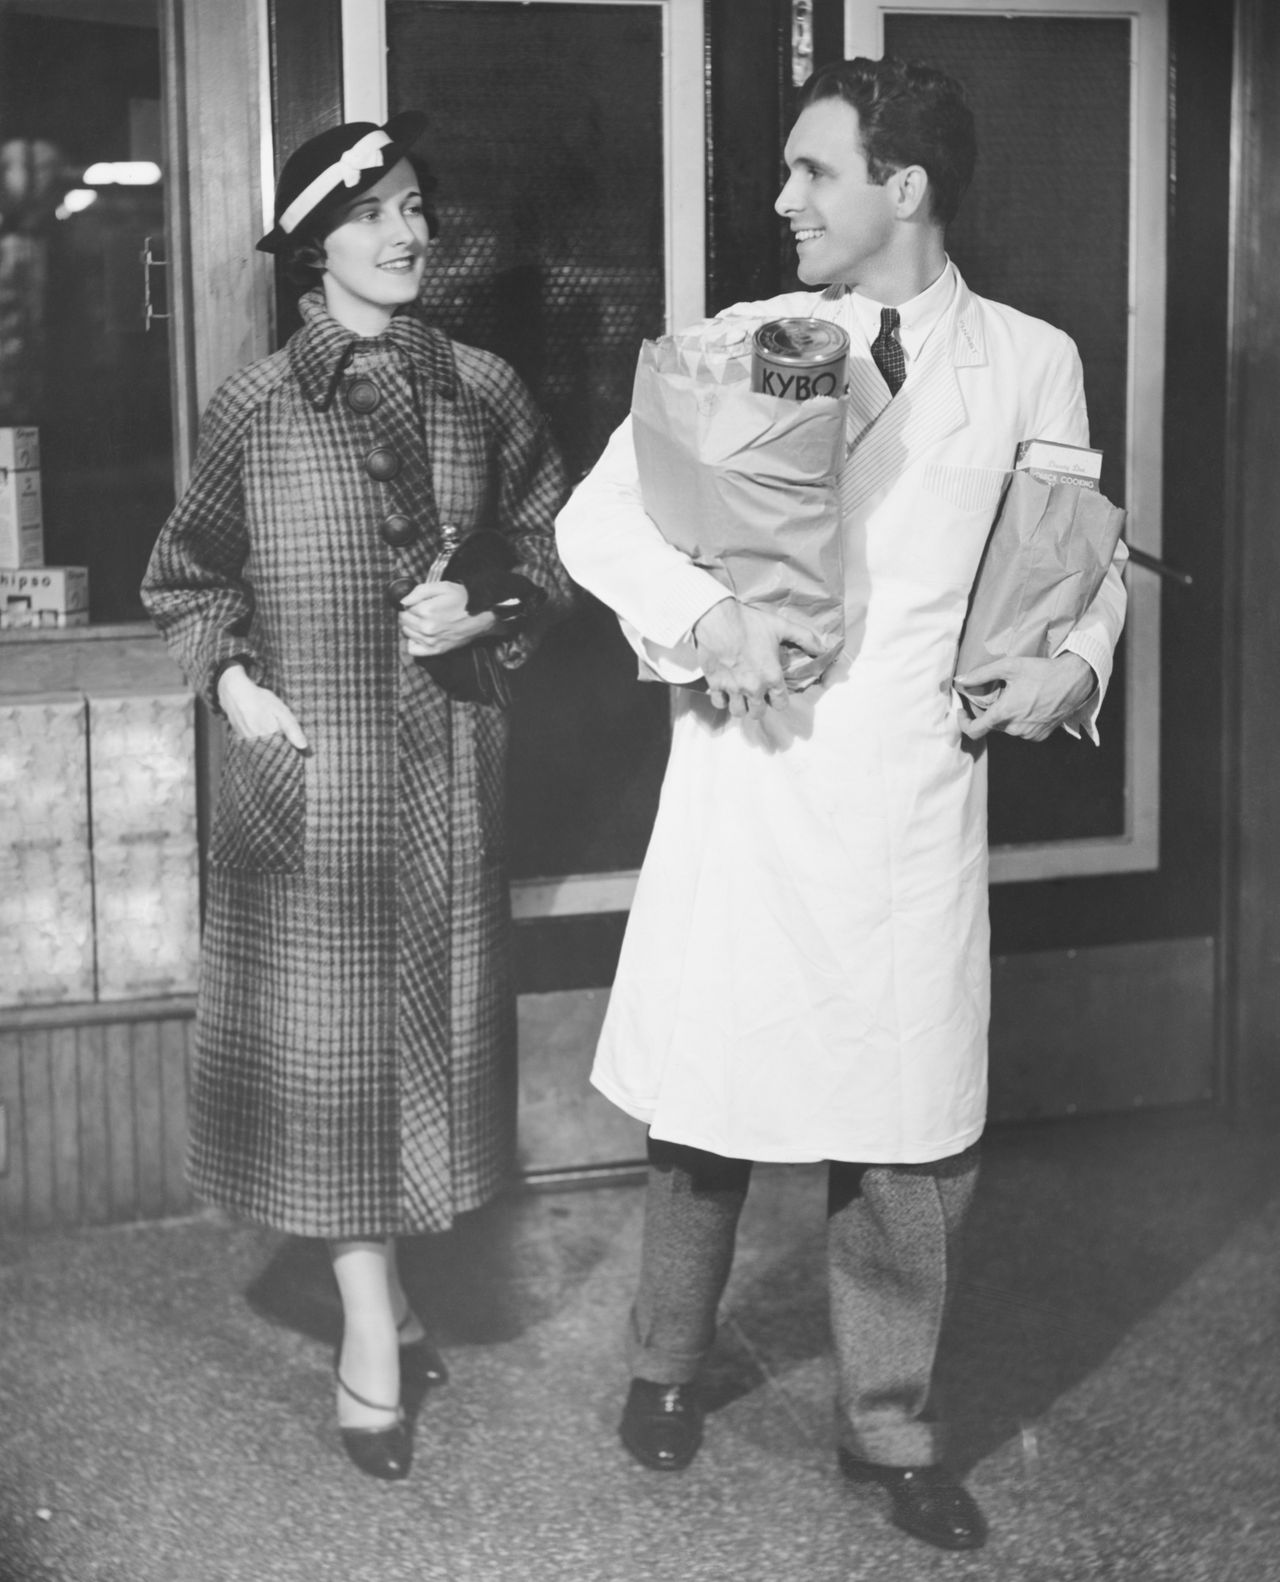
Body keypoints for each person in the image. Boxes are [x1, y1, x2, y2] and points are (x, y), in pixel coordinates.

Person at [555, 56, 1126, 1552]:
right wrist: (707, 622)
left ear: (905, 189)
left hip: (908, 796)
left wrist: (1067, 664)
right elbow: (596, 517)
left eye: (814, 171)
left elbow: (1078, 557)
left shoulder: (1031, 360)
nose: (782, 198)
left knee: (903, 1139)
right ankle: (665, 1368)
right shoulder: (748, 341)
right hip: (755, 774)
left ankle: (889, 1431)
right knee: (711, 1115)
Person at [141, 115, 573, 1482]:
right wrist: (234, 693)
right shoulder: (253, 408)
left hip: (449, 774)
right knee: (336, 1076)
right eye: (376, 210)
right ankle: (371, 1326)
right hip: (313, 789)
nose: (408, 233)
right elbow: (186, 577)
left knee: (424, 1056)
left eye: (417, 208)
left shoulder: (485, 391)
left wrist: (488, 602)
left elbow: (558, 545)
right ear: (313, 242)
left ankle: (385, 1294)